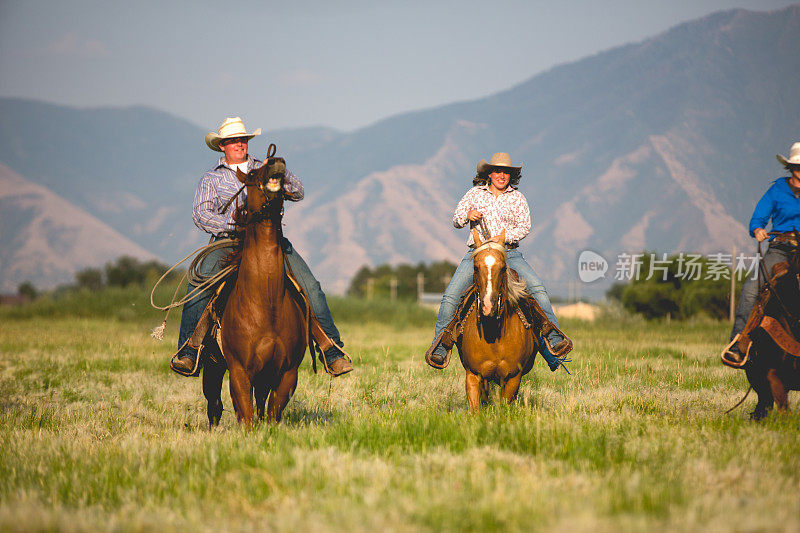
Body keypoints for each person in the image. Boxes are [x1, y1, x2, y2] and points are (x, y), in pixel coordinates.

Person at [171, 117, 353, 377]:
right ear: (222, 145)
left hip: (271, 241)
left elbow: (298, 192)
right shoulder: (211, 179)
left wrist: (279, 170)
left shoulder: (265, 170)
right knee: (199, 284)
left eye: (242, 139)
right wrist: (234, 225)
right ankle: (189, 349)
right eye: (233, 140)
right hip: (229, 242)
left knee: (310, 286)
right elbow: (201, 214)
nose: (239, 144)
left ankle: (331, 349)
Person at [427, 152, 570, 371]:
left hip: (508, 253)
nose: (502, 175)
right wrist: (468, 215)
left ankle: (553, 339)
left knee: (537, 290)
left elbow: (524, 226)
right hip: (478, 253)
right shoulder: (474, 194)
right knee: (451, 297)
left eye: (506, 172)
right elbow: (456, 219)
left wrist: (504, 238)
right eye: (498, 171)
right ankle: (440, 347)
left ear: (511, 176)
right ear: (489, 173)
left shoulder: (517, 198)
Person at [723, 141, 800, 366]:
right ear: (790, 168)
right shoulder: (776, 190)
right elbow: (758, 218)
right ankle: (739, 344)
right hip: (780, 249)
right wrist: (757, 229)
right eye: (797, 167)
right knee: (751, 290)